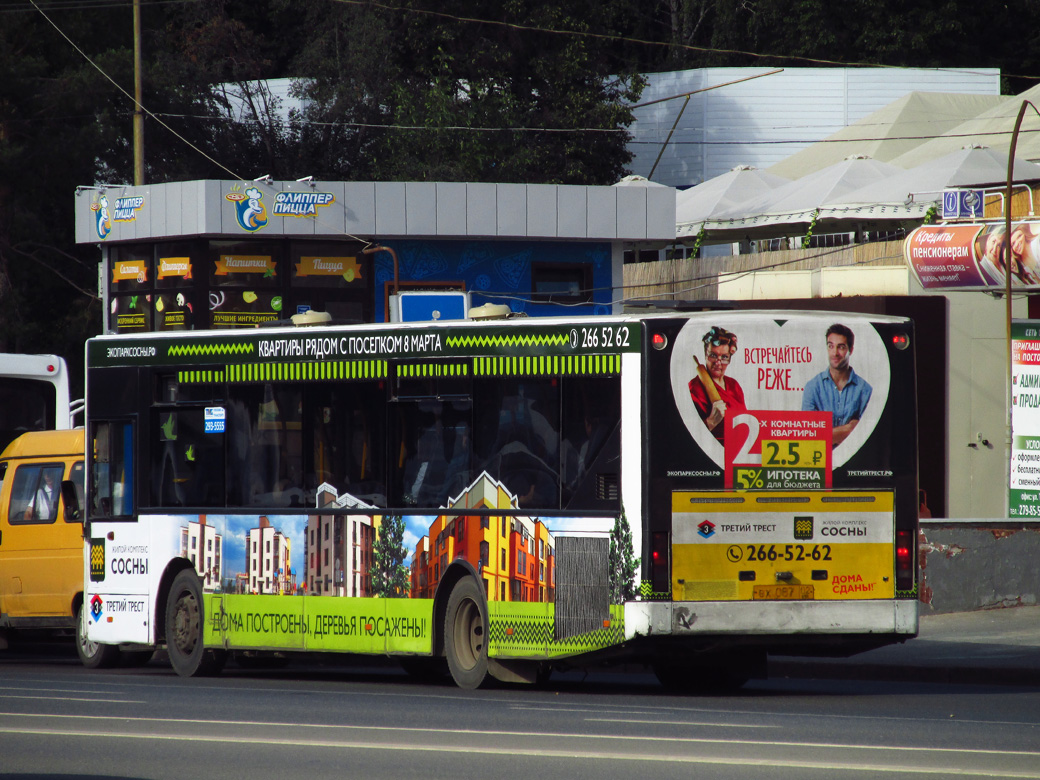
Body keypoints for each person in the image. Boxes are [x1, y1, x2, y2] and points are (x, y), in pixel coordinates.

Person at [802, 324, 872, 447]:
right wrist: (848, 429)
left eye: (841, 347)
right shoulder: (812, 387)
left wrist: (825, 433)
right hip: (820, 459)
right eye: (831, 346)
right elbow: (809, 436)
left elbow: (865, 435)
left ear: (851, 350)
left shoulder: (865, 390)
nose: (835, 353)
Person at [688, 326, 746, 442]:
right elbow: (688, 435)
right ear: (705, 354)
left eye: (724, 357)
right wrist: (711, 421)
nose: (718, 363)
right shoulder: (694, 388)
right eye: (713, 355)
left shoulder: (734, 385)